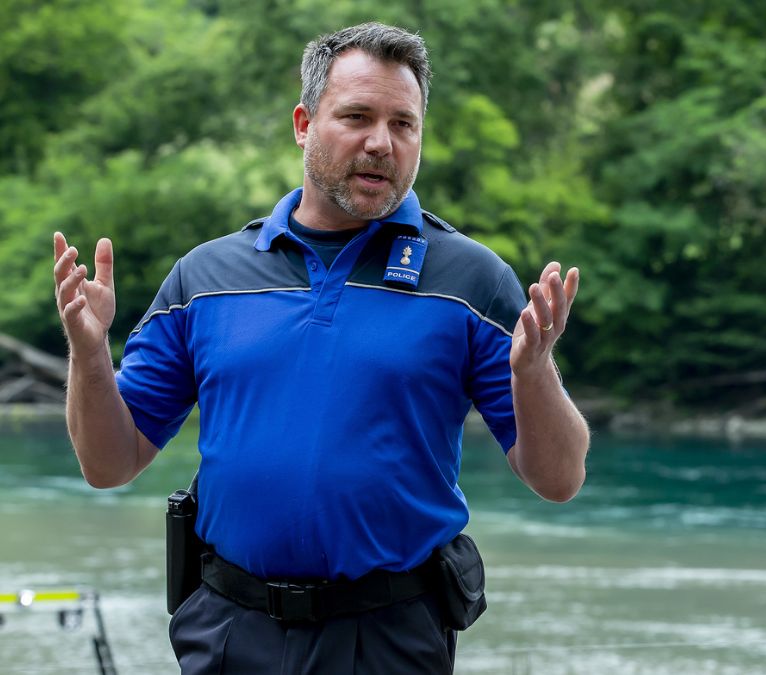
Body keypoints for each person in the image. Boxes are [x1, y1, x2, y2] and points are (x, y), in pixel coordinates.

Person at [52, 22, 589, 674]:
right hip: (228, 631)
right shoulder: (205, 277)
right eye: (357, 117)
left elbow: (558, 479)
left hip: (389, 637)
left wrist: (534, 370)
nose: (381, 142)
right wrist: (89, 353)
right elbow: (109, 463)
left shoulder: (471, 281)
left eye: (403, 124)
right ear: (304, 124)